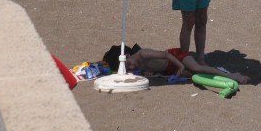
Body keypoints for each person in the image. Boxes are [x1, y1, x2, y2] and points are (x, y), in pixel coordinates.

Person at [101, 43, 248, 84]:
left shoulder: (143, 54)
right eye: (128, 69)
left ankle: (232, 75)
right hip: (169, 69)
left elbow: (166, 55)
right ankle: (215, 72)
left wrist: (181, 65)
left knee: (196, 67)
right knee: (195, 77)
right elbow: (155, 70)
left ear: (127, 55)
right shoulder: (134, 65)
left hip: (176, 57)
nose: (131, 68)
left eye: (129, 65)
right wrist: (153, 74)